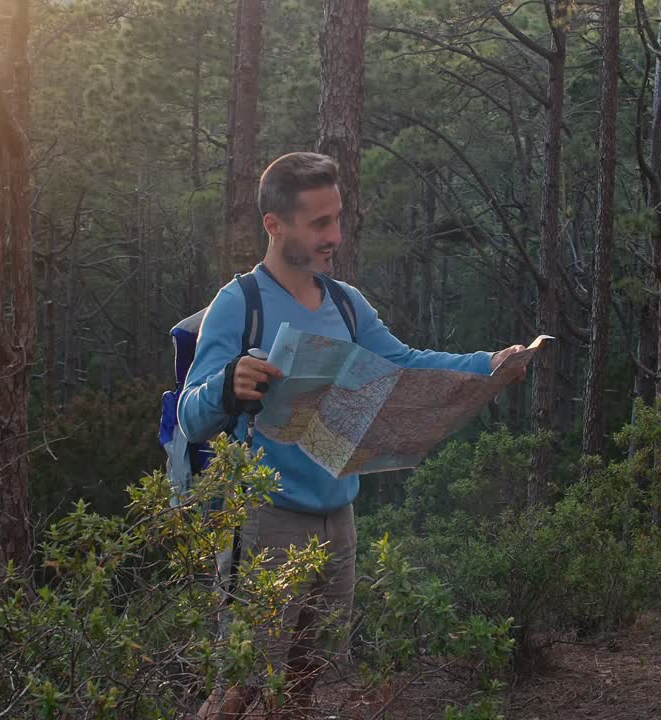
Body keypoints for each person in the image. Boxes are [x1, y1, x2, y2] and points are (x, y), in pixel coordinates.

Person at [179, 152, 526, 719]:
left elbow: (408, 363)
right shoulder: (238, 305)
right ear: (274, 225)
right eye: (319, 223)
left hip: (337, 517)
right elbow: (193, 417)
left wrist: (490, 363)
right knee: (237, 687)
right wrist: (228, 383)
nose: (335, 235)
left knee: (303, 683)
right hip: (265, 520)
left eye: (338, 218)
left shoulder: (346, 302)